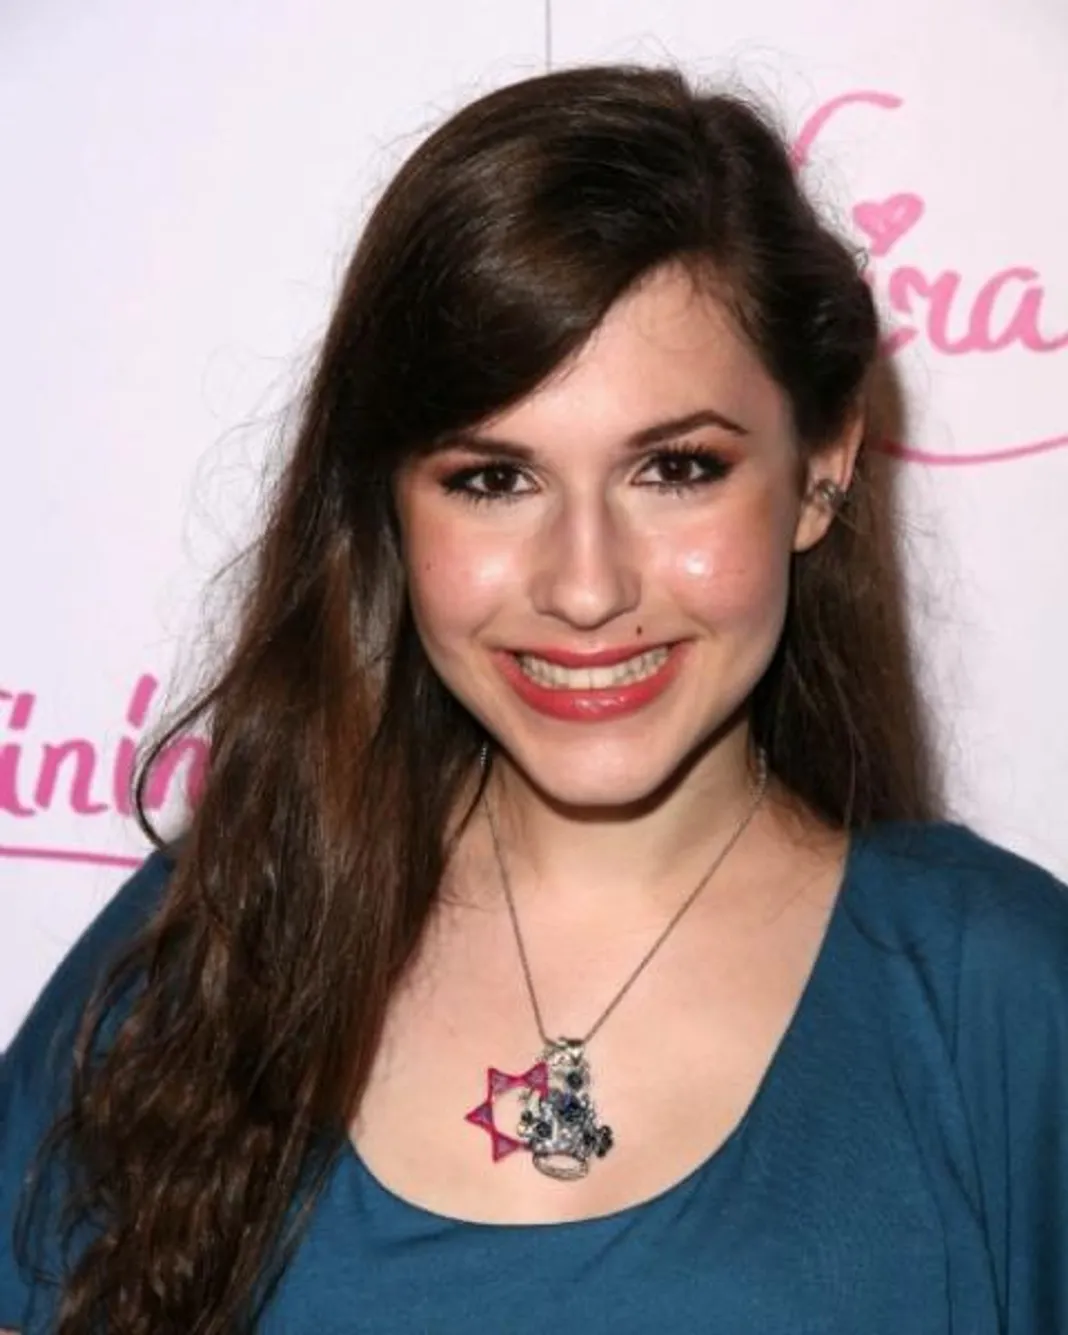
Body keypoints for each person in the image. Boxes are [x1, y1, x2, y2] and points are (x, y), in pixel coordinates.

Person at [2, 61, 1067, 1335]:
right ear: (390, 506)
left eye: (677, 468)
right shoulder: (210, 943)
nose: (584, 587)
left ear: (821, 468)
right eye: (494, 480)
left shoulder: (997, 998)